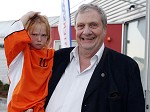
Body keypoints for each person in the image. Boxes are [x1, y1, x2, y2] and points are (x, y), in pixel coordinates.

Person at [44, 3, 145, 112]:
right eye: (81, 26)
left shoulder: (125, 67)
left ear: (105, 29)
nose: (86, 32)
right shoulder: (56, 58)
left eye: (93, 25)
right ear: (75, 29)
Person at [4, 11, 54, 112]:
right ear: (26, 33)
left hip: (40, 107)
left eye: (43, 35)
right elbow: (10, 34)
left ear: (48, 37)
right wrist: (27, 16)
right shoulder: (19, 54)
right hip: (18, 107)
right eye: (34, 34)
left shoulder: (51, 55)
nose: (39, 39)